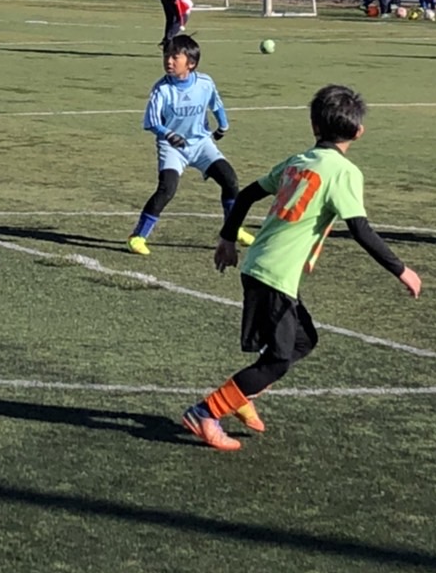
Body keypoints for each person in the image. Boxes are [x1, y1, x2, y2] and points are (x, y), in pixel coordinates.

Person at [181, 84, 422, 452]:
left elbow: (246, 194)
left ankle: (241, 394)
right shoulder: (343, 172)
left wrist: (228, 238)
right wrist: (401, 270)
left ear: (314, 126)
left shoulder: (298, 161)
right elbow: (360, 229)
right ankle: (206, 412)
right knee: (278, 361)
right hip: (274, 273)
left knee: (303, 339)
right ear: (358, 132)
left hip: (264, 265)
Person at [127, 33, 255, 257]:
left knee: (230, 180)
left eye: (174, 57)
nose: (168, 61)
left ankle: (233, 229)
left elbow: (216, 104)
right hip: (172, 147)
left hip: (201, 143)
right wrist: (168, 134)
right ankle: (138, 237)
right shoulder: (161, 89)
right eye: (166, 56)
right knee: (167, 189)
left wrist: (223, 126)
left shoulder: (205, 83)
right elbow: (152, 121)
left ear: (191, 63)